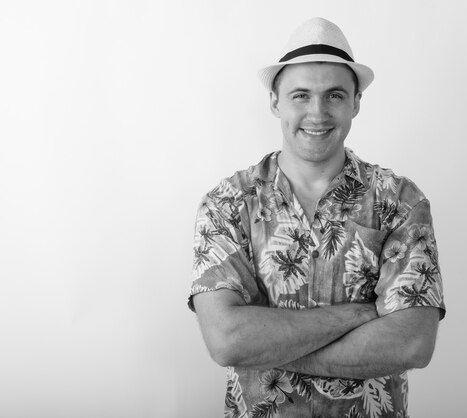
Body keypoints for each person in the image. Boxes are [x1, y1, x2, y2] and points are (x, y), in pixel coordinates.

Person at [188, 17, 445, 418]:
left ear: (356, 103)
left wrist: (269, 349)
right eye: (301, 95)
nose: (317, 113)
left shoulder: (400, 201)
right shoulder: (228, 204)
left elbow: (412, 343)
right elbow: (227, 341)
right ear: (275, 102)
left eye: (335, 96)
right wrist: (357, 315)